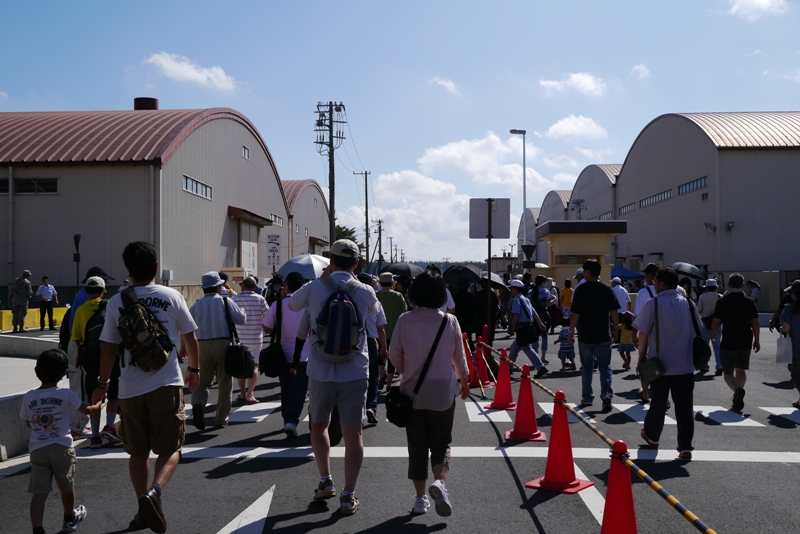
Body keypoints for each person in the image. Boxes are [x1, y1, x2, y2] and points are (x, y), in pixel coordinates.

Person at [93, 241, 200, 533]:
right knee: (172, 448)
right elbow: (190, 338)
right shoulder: (172, 295)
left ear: (127, 269)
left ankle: (142, 505)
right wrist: (193, 369)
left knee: (137, 453)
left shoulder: (116, 302)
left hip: (129, 389)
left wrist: (102, 386)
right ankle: (155, 492)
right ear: (155, 267)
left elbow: (108, 350)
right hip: (166, 383)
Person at [288, 239, 379, 515]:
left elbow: (292, 304)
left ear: (331, 261)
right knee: (354, 434)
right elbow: (374, 314)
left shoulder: (314, 288)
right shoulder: (365, 291)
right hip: (354, 370)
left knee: (319, 426)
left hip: (320, 370)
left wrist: (323, 281)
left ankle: (326, 480)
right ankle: (348, 495)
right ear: (356, 264)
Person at [388, 270, 470, 516]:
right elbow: (460, 359)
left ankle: (420, 499)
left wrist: (408, 370)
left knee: (417, 446)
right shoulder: (449, 321)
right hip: (443, 392)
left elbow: (393, 355)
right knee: (441, 443)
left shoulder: (405, 319)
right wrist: (464, 383)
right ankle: (440, 483)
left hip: (412, 394)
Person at [20, 349, 102, 534]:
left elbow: (27, 422)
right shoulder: (65, 394)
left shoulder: (29, 397)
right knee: (66, 486)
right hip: (62, 448)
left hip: (38, 450)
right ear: (64, 374)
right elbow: (87, 410)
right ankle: (68, 518)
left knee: (39, 492)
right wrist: (98, 404)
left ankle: (37, 529)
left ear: (36, 371)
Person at [633, 267, 699, 460]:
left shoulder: (654, 304)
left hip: (660, 364)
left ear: (662, 283)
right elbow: (697, 329)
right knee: (685, 406)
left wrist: (641, 355)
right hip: (685, 364)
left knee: (658, 403)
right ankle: (685, 446)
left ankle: (653, 436)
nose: (653, 284)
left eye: (655, 281)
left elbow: (643, 332)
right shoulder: (688, 303)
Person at [189, 271, 246, 429]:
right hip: (223, 345)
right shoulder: (226, 302)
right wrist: (242, 311)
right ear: (218, 287)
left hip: (202, 346)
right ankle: (221, 418)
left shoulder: (196, 305)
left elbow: (187, 328)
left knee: (203, 382)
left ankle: (198, 404)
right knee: (224, 384)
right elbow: (241, 320)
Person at [70, 277, 122, 449]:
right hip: (112, 357)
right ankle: (110, 426)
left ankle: (94, 436)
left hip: (90, 359)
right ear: (103, 291)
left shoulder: (80, 310)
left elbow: (76, 337)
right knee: (114, 393)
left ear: (86, 291)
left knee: (94, 395)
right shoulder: (110, 306)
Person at [568, 259, 620, 412]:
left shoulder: (580, 289)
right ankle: (606, 395)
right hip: (603, 334)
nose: (583, 273)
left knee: (587, 367)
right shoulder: (606, 289)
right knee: (605, 366)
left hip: (585, 335)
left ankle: (587, 396)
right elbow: (614, 312)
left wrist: (570, 332)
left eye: (584, 270)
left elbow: (575, 313)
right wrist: (616, 330)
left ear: (588, 272)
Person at [263, 272, 308, 438]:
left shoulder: (278, 304)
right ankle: (291, 419)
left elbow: (267, 327)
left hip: (282, 355)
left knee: (286, 389)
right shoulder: (308, 305)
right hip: (304, 355)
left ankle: (287, 420)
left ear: (286, 287)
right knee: (300, 389)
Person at [711, 273, 760, 413]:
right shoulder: (750, 301)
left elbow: (716, 321)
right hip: (746, 340)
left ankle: (737, 391)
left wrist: (713, 333)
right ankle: (739, 393)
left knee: (727, 371)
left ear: (728, 285)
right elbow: (755, 322)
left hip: (729, 339)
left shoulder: (722, 301)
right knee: (741, 369)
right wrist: (757, 340)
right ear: (743, 286)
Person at [232, 276, 269, 404]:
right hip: (255, 337)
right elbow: (268, 316)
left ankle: (242, 392)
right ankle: (250, 394)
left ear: (243, 286)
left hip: (239, 338)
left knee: (241, 365)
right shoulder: (260, 299)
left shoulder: (235, 299)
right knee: (254, 365)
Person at [358, 274, 388, 426]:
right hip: (371, 341)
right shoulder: (376, 303)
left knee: (357, 376)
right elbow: (381, 327)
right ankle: (371, 407)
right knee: (374, 376)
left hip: (354, 341)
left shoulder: (353, 300)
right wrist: (384, 347)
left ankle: (358, 409)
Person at [507, 280, 549, 377]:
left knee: (527, 349)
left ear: (515, 289)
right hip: (528, 327)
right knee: (515, 348)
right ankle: (508, 368)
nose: (511, 290)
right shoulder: (525, 299)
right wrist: (540, 324)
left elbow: (515, 314)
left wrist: (513, 327)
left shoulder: (516, 300)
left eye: (511, 288)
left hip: (521, 328)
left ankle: (541, 367)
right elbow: (534, 313)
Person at [376, 272, 408, 391]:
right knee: (392, 357)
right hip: (395, 331)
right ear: (391, 283)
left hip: (378, 331)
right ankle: (389, 384)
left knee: (380, 354)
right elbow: (405, 312)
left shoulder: (375, 295)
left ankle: (381, 376)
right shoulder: (398, 296)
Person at [780, 281, 800, 409]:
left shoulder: (789, 309)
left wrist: (781, 326)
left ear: (794, 294)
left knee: (796, 374)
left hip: (796, 348)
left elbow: (786, 328)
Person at [697, 279, 723, 375]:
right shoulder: (720, 297)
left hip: (705, 323)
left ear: (707, 287)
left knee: (705, 346)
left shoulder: (703, 297)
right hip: (718, 323)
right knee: (717, 346)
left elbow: (699, 310)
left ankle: (705, 365)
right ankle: (719, 365)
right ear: (716, 287)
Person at [474, 279, 499, 344]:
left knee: (480, 337)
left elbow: (475, 307)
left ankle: (480, 351)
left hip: (480, 317)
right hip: (491, 318)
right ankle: (489, 351)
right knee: (489, 338)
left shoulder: (478, 294)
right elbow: (496, 307)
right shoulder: (493, 295)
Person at [11, 269, 33, 333]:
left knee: (15, 313)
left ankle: (15, 328)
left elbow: (12, 289)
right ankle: (21, 327)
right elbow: (29, 292)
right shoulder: (27, 282)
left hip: (15, 300)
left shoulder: (16, 280)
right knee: (22, 314)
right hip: (23, 300)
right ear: (27, 275)